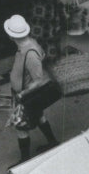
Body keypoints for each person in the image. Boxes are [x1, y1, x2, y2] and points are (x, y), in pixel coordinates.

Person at [4, 15, 58, 163]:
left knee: (20, 127)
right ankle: (53, 142)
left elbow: (39, 80)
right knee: (39, 116)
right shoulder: (27, 45)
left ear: (11, 36)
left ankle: (25, 160)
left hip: (26, 96)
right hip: (27, 94)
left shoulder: (30, 54)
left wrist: (22, 94)